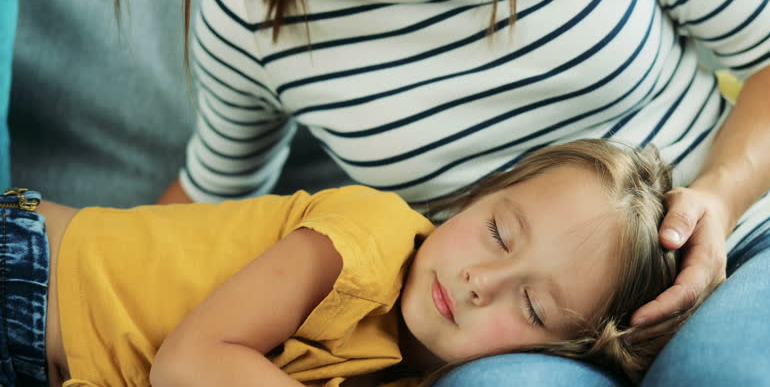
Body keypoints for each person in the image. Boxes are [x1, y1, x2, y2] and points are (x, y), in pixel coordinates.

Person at [115, 0, 770, 384]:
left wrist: (720, 198)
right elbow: (208, 200)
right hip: (526, 334)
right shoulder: (246, 20)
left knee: (734, 376)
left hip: (764, 238)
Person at [0, 139, 679, 387]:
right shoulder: (372, 234)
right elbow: (191, 362)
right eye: (499, 233)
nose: (481, 284)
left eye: (532, 307)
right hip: (25, 270)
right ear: (474, 200)